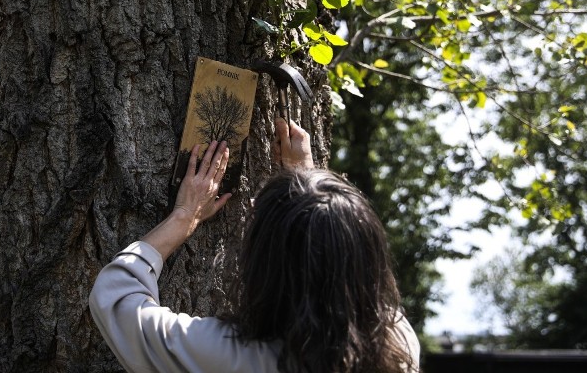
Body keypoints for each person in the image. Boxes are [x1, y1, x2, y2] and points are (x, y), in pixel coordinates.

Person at [89, 118, 420, 372]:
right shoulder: (397, 345)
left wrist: (183, 216)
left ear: (266, 263)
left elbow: (115, 299)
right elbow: (338, 263)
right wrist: (304, 183)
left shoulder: (234, 357)